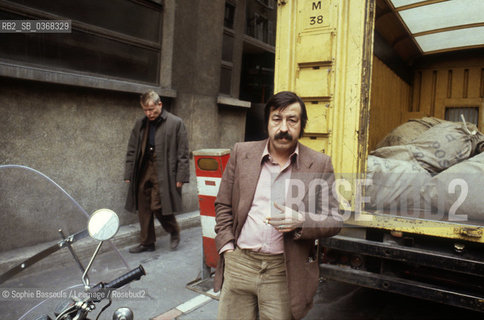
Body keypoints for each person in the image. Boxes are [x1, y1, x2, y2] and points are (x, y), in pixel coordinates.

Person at [214, 91, 343, 320]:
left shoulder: (319, 164)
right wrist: (227, 247)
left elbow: (335, 218)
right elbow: (223, 203)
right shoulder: (241, 153)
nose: (284, 128)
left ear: (301, 125)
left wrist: (302, 221)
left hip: (283, 272)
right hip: (240, 263)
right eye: (277, 119)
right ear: (268, 122)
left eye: (292, 120)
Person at [124, 90, 189, 253]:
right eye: (145, 110)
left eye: (151, 109)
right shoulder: (140, 123)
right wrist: (128, 173)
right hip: (144, 167)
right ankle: (147, 242)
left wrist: (181, 176)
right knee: (143, 205)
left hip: (164, 169)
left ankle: (173, 230)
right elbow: (132, 149)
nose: (149, 113)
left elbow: (183, 152)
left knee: (158, 205)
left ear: (160, 104)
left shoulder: (176, 123)